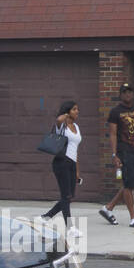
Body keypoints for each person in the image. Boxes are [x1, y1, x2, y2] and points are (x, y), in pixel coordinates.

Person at [101, 83, 134, 228]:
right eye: (125, 92)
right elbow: (113, 134)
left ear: (132, 94)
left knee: (131, 183)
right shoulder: (115, 112)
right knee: (128, 184)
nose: (127, 95)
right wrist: (115, 155)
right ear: (121, 95)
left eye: (130, 92)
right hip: (123, 151)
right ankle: (133, 218)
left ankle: (108, 208)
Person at [41, 100, 82, 236]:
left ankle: (45, 217)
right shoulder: (61, 125)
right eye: (74, 109)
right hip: (61, 162)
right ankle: (70, 228)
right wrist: (65, 114)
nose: (77, 111)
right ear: (68, 111)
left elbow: (75, 149)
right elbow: (58, 119)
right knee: (66, 196)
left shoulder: (76, 126)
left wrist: (77, 170)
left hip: (71, 163)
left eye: (77, 109)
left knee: (69, 197)